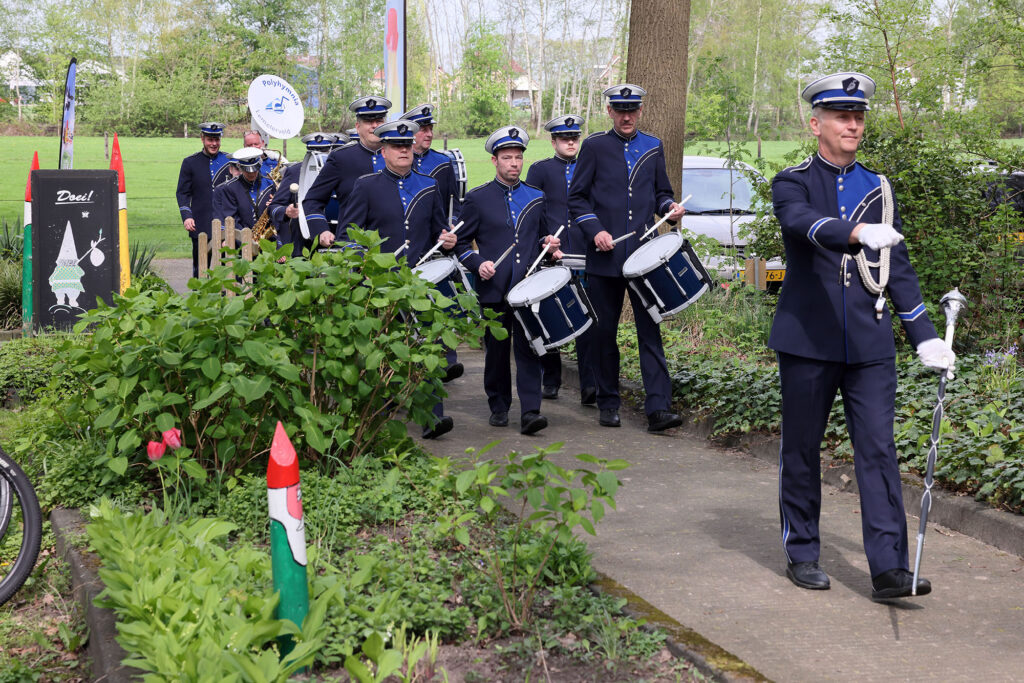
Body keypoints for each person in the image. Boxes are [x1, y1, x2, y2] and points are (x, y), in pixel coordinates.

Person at [770, 72, 956, 600]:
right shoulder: (793, 180)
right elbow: (801, 223)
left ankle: (888, 568)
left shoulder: (878, 187)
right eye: (840, 116)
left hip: (871, 342)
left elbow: (896, 266)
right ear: (816, 124)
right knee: (802, 449)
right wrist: (855, 232)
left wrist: (922, 334)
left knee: (877, 448)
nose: (852, 124)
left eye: (858, 117)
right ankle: (802, 551)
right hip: (809, 338)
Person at [567, 84, 686, 432]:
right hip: (604, 259)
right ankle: (607, 402)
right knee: (605, 334)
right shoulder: (594, 146)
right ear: (610, 111)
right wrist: (596, 230)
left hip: (645, 257)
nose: (626, 115)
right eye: (620, 109)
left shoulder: (653, 146)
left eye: (632, 109)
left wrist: (671, 210)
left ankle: (659, 409)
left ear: (640, 110)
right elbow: (577, 199)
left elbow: (661, 194)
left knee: (651, 331)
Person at [339, 120, 458, 439]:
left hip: (420, 281)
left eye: (407, 146)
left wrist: (445, 239)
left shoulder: (427, 185)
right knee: (383, 352)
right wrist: (364, 269)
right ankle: (379, 416)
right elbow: (347, 237)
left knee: (428, 347)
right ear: (385, 151)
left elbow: (437, 229)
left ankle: (434, 418)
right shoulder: (366, 186)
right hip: (379, 285)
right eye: (396, 146)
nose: (404, 151)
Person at [455, 126, 560, 435]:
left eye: (518, 158)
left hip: (528, 288)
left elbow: (544, 236)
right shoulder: (477, 198)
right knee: (497, 353)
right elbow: (461, 244)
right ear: (494, 161)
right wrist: (477, 264)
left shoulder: (536, 196)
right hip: (494, 289)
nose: (514, 163)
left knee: (530, 349)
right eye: (507, 158)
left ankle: (531, 411)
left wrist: (550, 246)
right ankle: (499, 405)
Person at [525, 114, 597, 405]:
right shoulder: (540, 170)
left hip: (586, 255)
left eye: (574, 138)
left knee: (587, 321)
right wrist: (545, 242)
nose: (570, 142)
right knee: (550, 320)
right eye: (564, 138)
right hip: (553, 256)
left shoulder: (591, 168)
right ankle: (551, 378)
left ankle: (589, 385)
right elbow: (531, 212)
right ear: (553, 141)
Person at [401, 102, 464, 382]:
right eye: (423, 129)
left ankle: (448, 359)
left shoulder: (442, 162)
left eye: (430, 128)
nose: (428, 133)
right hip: (408, 242)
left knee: (441, 300)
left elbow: (455, 202)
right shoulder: (398, 160)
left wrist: (451, 228)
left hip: (434, 244)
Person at [304, 95, 390, 248]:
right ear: (358, 127)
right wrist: (321, 230)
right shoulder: (341, 158)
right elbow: (313, 200)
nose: (374, 126)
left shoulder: (401, 158)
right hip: (353, 248)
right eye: (369, 121)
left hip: (392, 245)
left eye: (379, 121)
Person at [268, 132, 345, 257]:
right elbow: (273, 207)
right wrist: (286, 211)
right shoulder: (295, 171)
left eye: (323, 151)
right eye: (313, 151)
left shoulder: (340, 169)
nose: (318, 155)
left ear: (330, 150)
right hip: (303, 243)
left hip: (335, 239)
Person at [176, 122, 233, 276]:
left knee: (227, 270)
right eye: (210, 139)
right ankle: (199, 296)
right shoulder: (190, 162)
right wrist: (187, 217)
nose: (214, 144)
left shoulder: (230, 161)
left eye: (217, 139)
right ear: (202, 139)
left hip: (226, 223)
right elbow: (182, 193)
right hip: (200, 224)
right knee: (200, 269)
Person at [219, 147, 275, 231]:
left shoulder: (270, 184)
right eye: (247, 171)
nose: (252, 173)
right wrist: (246, 238)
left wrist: (275, 205)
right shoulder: (230, 187)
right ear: (240, 167)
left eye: (254, 169)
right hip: (242, 239)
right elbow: (231, 219)